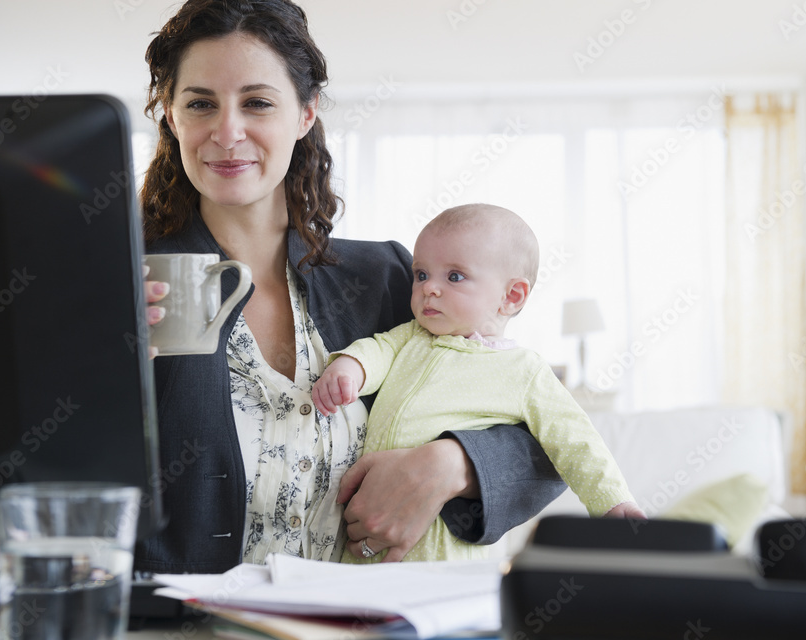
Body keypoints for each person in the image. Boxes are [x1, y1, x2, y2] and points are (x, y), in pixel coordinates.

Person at [137, 0, 567, 573]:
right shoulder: (133, 285)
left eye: (258, 102)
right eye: (200, 104)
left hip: (364, 621)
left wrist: (449, 466)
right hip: (179, 624)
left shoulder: (389, 279)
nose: (228, 131)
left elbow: (549, 439)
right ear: (171, 116)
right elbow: (42, 471)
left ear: (305, 114)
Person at [312, 204, 647, 563]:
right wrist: (350, 368)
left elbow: (574, 437)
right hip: (367, 531)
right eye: (421, 274)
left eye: (454, 277)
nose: (429, 289)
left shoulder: (524, 370)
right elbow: (377, 351)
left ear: (511, 296)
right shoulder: (410, 336)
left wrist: (612, 502)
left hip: (446, 546)